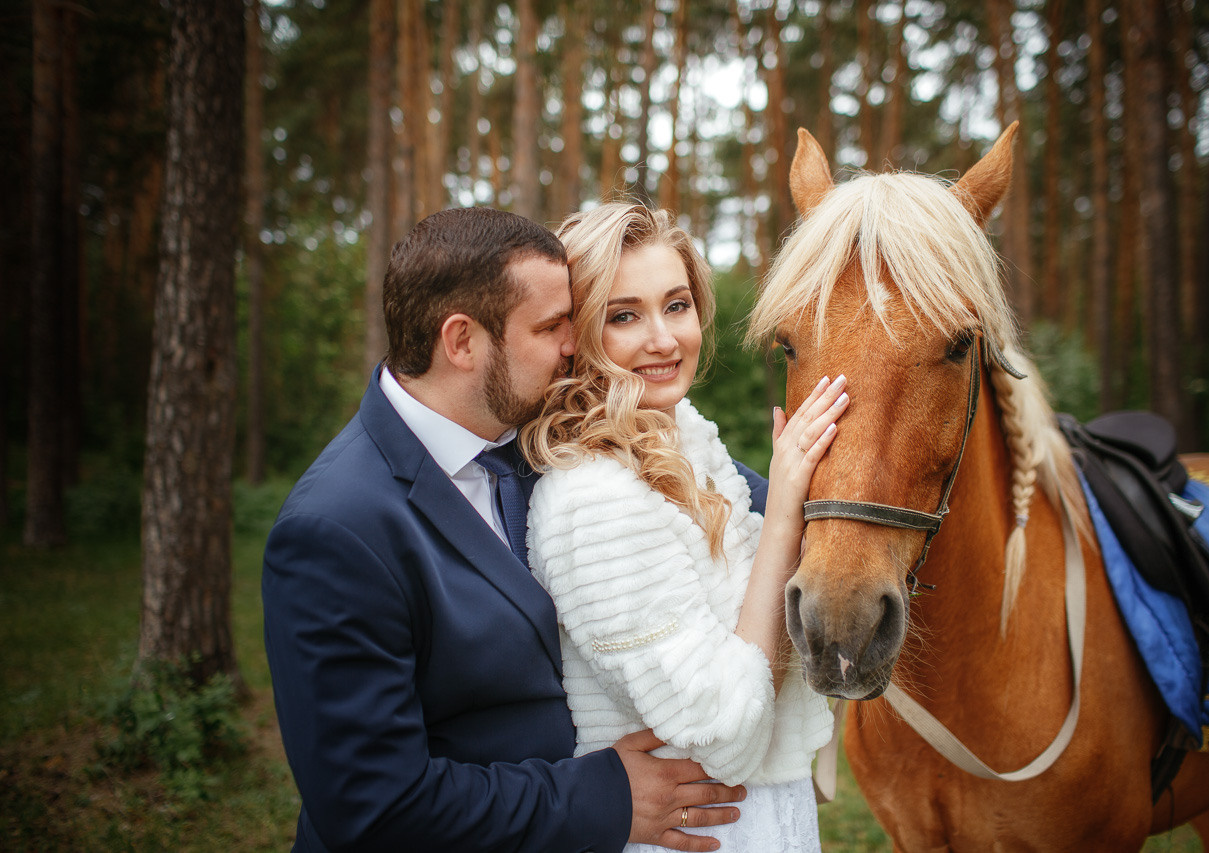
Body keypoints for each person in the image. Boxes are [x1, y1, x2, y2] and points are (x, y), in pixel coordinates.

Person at [262, 207, 750, 853]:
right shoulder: (337, 530)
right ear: (462, 342)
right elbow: (374, 805)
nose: (576, 345)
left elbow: (711, 483)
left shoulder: (529, 438)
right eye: (552, 326)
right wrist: (604, 797)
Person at [522, 203, 847, 853]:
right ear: (579, 333)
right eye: (624, 316)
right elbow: (722, 730)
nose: (665, 339)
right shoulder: (592, 499)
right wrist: (782, 509)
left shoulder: (692, 446)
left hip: (763, 825)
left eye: (677, 305)